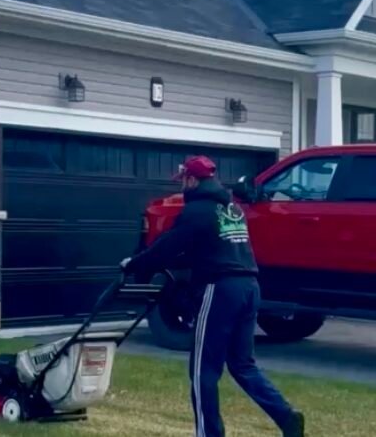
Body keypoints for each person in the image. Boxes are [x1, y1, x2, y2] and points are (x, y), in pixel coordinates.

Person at [121, 156, 305, 437]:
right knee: (243, 365)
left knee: (203, 370)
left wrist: (135, 264)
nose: (182, 185)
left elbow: (167, 247)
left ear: (193, 180)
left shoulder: (196, 211)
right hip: (249, 287)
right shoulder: (232, 209)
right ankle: (286, 417)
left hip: (220, 289)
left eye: (183, 179)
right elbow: (207, 246)